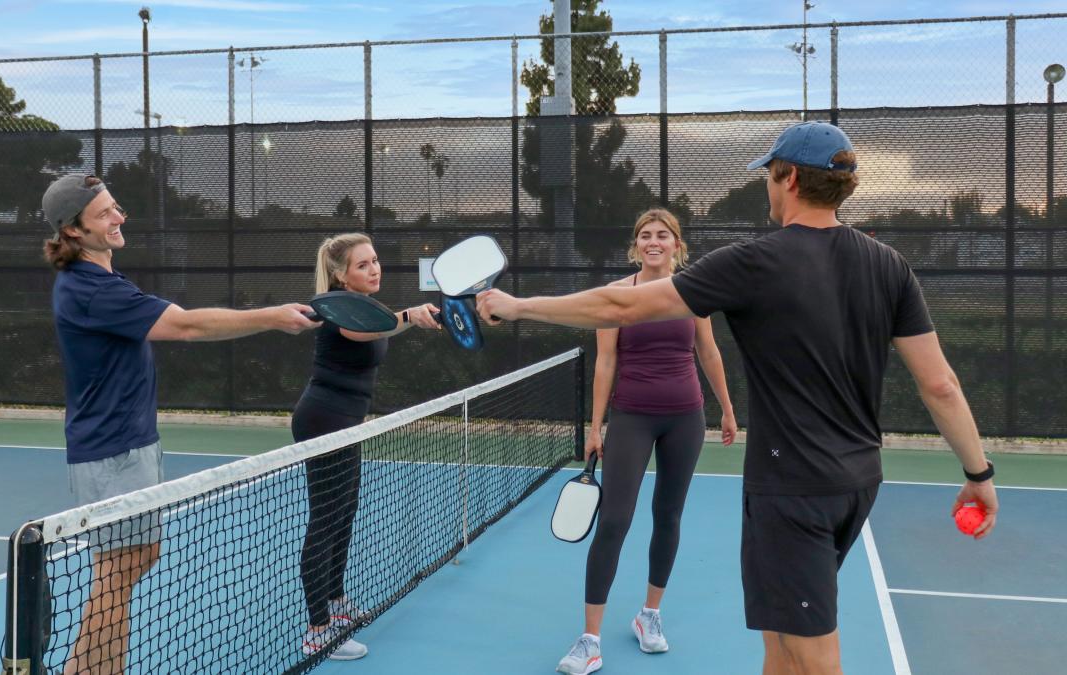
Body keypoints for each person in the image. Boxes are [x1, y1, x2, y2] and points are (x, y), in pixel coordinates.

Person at [477, 122, 998, 675]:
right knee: (780, 642)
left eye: (770, 177)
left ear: (790, 178)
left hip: (794, 489)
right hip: (857, 482)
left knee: (813, 655)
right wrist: (978, 473)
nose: (767, 188)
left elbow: (621, 307)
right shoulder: (889, 264)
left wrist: (518, 306)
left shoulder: (753, 262)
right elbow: (940, 384)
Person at [40, 174, 320, 675]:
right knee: (118, 571)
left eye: (116, 207)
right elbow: (188, 325)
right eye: (104, 214)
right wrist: (273, 316)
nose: (119, 217)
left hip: (131, 442)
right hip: (112, 450)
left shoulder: (104, 280)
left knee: (134, 560)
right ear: (73, 231)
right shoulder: (88, 290)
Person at [557, 209, 737, 675]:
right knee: (614, 521)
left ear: (677, 244)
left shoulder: (693, 292)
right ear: (636, 246)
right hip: (632, 417)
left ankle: (649, 614)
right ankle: (589, 640)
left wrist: (727, 408)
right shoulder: (617, 296)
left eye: (662, 235)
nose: (653, 241)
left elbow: (708, 350)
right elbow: (604, 363)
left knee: (668, 515)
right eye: (645, 236)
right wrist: (595, 427)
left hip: (686, 418)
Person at [294, 233, 442, 661]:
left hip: (347, 423)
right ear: (342, 274)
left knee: (344, 514)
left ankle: (337, 602)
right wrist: (411, 315)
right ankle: (317, 628)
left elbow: (382, 322)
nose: (374, 269)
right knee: (325, 519)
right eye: (363, 264)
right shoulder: (333, 305)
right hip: (323, 421)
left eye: (375, 261)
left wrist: (426, 315)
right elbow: (367, 330)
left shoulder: (370, 306)